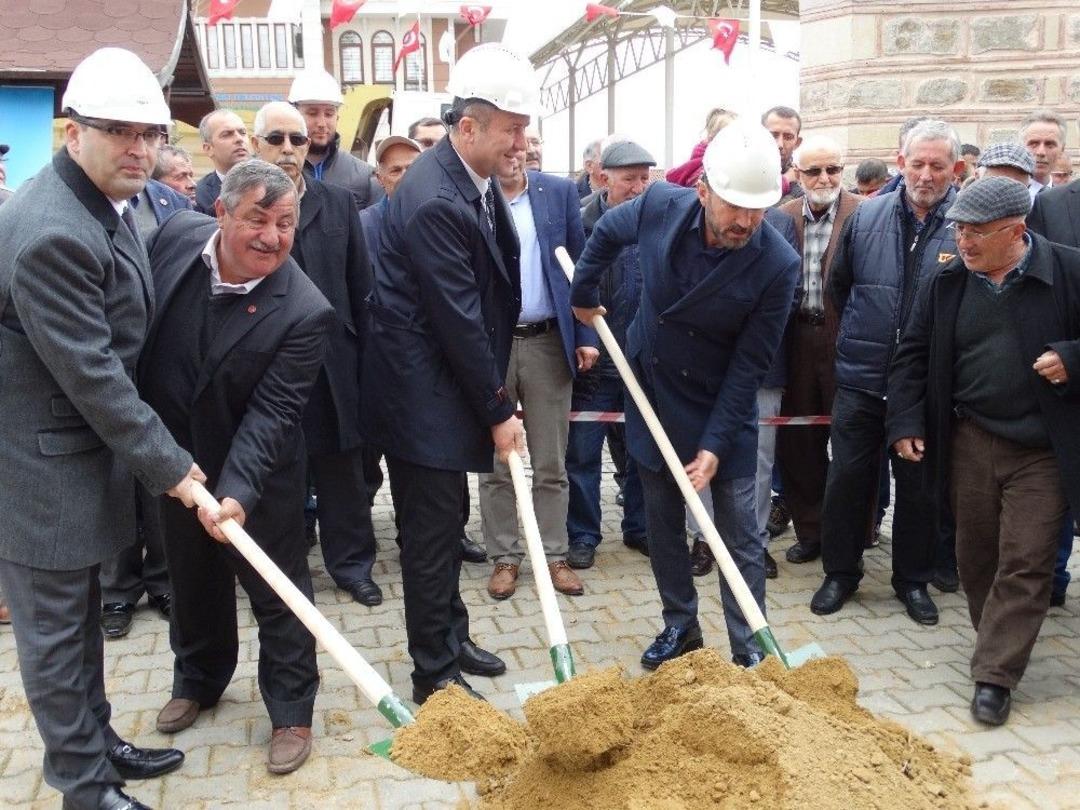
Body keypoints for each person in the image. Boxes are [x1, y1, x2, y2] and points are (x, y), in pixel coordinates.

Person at [0, 47, 208, 810]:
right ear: (72, 132)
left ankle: (98, 743)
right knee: (55, 640)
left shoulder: (106, 205)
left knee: (83, 621)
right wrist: (175, 469)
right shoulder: (52, 229)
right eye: (118, 131)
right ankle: (85, 787)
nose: (140, 149)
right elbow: (95, 376)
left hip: (77, 456)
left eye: (150, 133)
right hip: (37, 469)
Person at [571, 120, 800, 670]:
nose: (746, 221)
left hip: (723, 402)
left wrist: (716, 445)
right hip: (651, 391)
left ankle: (749, 646)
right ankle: (681, 627)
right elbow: (603, 234)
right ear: (702, 191)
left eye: (758, 209)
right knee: (664, 526)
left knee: (740, 537)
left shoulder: (777, 264)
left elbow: (750, 366)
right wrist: (582, 295)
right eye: (733, 207)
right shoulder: (659, 207)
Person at [142, 161, 334, 773]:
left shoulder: (304, 310)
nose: (272, 237)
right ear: (221, 212)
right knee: (191, 576)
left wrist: (237, 493)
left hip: (259, 470)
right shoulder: (174, 239)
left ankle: (291, 709)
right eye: (257, 218)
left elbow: (274, 413)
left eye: (285, 223)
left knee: (277, 591)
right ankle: (198, 676)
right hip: (176, 461)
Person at [363, 43, 538, 704]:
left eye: (523, 127)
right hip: (422, 398)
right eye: (510, 128)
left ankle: (452, 635)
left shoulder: (469, 177)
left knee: (448, 521)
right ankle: (433, 671)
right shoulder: (436, 197)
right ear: (468, 126)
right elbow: (458, 320)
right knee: (431, 540)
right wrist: (498, 409)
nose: (521, 140)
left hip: (442, 390)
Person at [887, 176, 1080, 726]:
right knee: (976, 557)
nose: (964, 242)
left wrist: (1074, 358)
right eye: (960, 230)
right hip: (970, 437)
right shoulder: (948, 281)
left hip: (1042, 449)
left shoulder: (1069, 271)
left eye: (976, 233)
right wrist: (903, 420)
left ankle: (994, 674)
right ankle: (1001, 636)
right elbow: (913, 355)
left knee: (1027, 558)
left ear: (1016, 231)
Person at [811, 120, 963, 624]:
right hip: (860, 376)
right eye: (916, 163)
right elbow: (839, 287)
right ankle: (840, 573)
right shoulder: (866, 215)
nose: (925, 174)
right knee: (848, 479)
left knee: (918, 488)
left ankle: (913, 580)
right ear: (900, 162)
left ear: (954, 169)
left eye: (936, 165)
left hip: (924, 388)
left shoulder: (964, 224)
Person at [249, 102, 382, 606]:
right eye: (277, 139)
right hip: (266, 366)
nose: (288, 149)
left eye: (298, 140)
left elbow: (361, 286)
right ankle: (279, 576)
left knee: (343, 472)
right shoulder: (237, 206)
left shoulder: (340, 202)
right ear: (256, 143)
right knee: (276, 472)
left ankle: (352, 566)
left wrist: (366, 363)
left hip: (335, 363)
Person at [480, 127, 594, 600]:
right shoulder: (475, 197)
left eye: (521, 146)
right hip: (492, 346)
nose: (514, 154)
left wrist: (585, 335)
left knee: (551, 460)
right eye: (505, 147)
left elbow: (582, 271)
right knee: (496, 463)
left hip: (549, 341)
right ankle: (505, 557)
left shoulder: (560, 193)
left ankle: (554, 555)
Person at [565, 141, 653, 570]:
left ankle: (639, 527)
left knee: (642, 452)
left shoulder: (657, 222)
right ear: (603, 179)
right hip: (595, 363)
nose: (638, 188)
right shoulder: (581, 223)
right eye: (628, 179)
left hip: (642, 361)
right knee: (582, 453)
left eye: (644, 178)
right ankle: (583, 534)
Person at [776, 135, 862, 566]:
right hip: (795, 342)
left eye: (833, 169)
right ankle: (810, 531)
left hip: (846, 339)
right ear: (796, 174)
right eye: (814, 170)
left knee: (852, 443)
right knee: (799, 445)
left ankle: (854, 536)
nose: (825, 178)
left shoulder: (865, 214)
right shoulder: (781, 217)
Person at [289, 69, 382, 212]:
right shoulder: (277, 170)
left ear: (337, 117)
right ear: (294, 115)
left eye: (329, 114)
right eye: (312, 113)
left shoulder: (364, 175)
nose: (322, 123)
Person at [194, 109, 249, 214]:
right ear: (208, 149)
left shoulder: (271, 182)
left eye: (242, 132)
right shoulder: (200, 196)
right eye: (227, 134)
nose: (239, 139)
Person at [1019, 109, 1066, 200]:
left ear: (1062, 150)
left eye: (1050, 144)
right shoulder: (1003, 197)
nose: (1041, 152)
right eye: (1034, 144)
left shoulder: (1069, 200)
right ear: (1021, 147)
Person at [762, 105, 804, 203]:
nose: (779, 144)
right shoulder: (740, 170)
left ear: (797, 143)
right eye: (773, 135)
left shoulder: (802, 185)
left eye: (788, 137)